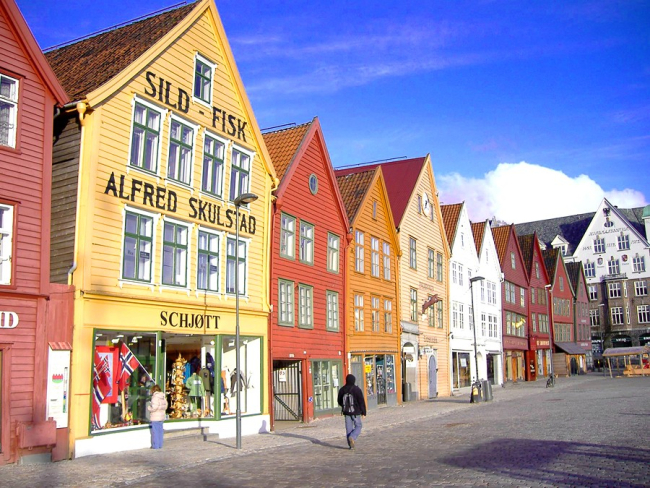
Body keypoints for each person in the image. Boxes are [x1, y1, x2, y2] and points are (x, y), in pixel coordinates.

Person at [337, 374, 366, 450]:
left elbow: (339, 400)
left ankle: (350, 445)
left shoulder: (342, 389)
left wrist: (344, 406)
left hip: (346, 412)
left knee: (348, 429)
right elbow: (361, 401)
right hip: (355, 412)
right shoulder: (357, 389)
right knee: (358, 426)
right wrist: (363, 412)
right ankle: (352, 437)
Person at [147, 385, 168, 449]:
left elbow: (154, 407)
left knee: (155, 432)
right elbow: (166, 406)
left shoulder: (155, 397)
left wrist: (149, 408)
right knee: (160, 431)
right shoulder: (163, 396)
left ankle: (155, 445)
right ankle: (160, 444)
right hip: (161, 416)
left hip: (155, 417)